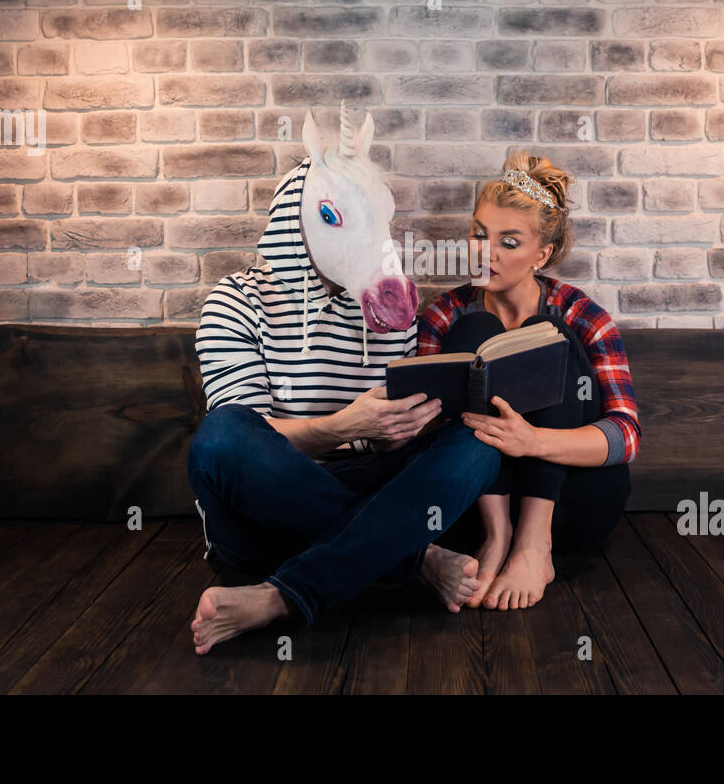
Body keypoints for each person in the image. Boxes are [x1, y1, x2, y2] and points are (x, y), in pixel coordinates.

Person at [186, 155, 502, 654]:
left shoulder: (390, 309)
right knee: (222, 434)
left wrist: (404, 427)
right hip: (266, 507)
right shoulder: (235, 301)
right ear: (298, 222)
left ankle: (278, 598)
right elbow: (246, 435)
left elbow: (398, 433)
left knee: (478, 444)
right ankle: (413, 558)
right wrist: (341, 426)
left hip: (367, 483)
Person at [416, 153, 641, 610]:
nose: (486, 252)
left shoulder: (584, 316)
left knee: (550, 338)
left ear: (542, 254)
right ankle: (498, 538)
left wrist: (531, 440)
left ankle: (533, 546)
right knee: (474, 333)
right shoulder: (444, 314)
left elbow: (626, 436)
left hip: (568, 508)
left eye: (509, 242)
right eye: (479, 234)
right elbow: (424, 429)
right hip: (468, 511)